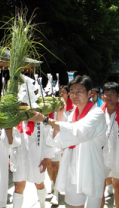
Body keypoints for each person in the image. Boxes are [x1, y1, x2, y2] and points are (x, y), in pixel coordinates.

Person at [29, 75, 107, 208]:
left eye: (79, 91)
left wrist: (46, 120)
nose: (75, 95)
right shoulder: (72, 114)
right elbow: (58, 139)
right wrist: (59, 115)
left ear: (89, 93)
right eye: (72, 91)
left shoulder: (96, 114)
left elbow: (77, 132)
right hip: (72, 167)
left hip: (90, 168)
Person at [11, 118, 55, 208]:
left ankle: (42, 204)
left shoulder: (39, 117)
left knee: (39, 183)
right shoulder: (16, 117)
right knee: (18, 186)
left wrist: (47, 158)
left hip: (37, 156)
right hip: (19, 156)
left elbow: (47, 136)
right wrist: (8, 156)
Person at [47, 85, 74, 205]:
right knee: (53, 166)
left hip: (66, 143)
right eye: (60, 93)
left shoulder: (72, 110)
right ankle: (54, 187)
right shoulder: (52, 110)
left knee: (64, 168)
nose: (62, 94)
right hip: (53, 141)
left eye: (64, 92)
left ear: (68, 94)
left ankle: (58, 191)